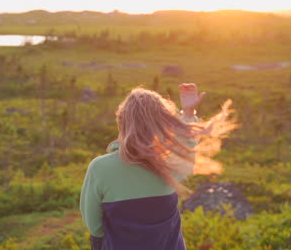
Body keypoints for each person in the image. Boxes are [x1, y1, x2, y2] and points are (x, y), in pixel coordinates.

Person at [80, 83, 236, 250]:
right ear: (162, 124)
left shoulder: (100, 168)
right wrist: (188, 113)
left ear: (121, 122)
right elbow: (187, 144)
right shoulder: (168, 164)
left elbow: (94, 225)